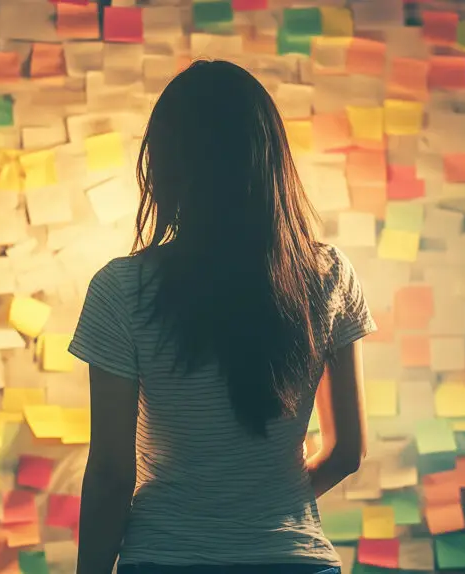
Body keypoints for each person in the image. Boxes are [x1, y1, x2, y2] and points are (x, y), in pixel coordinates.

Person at [68, 60, 376, 574]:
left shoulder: (122, 289)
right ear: (271, 162)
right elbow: (347, 451)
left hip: (166, 560)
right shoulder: (329, 275)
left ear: (164, 166)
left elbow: (110, 475)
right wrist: (265, 503)